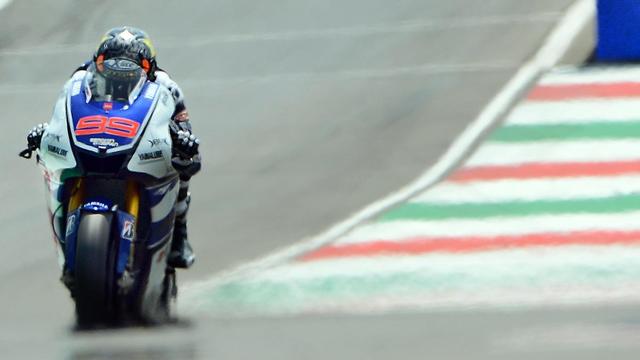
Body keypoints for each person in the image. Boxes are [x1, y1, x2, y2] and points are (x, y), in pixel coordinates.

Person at [26, 26, 201, 269]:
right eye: (110, 62)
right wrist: (47, 132)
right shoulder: (79, 78)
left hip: (140, 149)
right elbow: (64, 113)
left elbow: (184, 126)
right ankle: (68, 248)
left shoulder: (166, 85)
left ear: (149, 66)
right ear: (97, 62)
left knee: (183, 171)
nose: (120, 71)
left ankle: (179, 237)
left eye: (133, 64)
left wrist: (185, 142)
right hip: (93, 145)